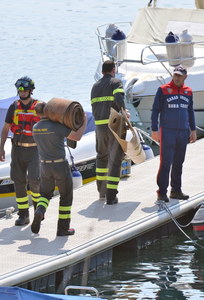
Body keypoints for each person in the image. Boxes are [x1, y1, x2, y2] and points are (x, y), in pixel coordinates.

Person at [30, 102, 87, 236]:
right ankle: (63, 228)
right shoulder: (56, 126)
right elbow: (76, 136)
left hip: (44, 165)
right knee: (66, 195)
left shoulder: (35, 128)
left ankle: (40, 211)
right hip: (59, 165)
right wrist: (83, 121)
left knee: (45, 194)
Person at [0, 76, 43, 225]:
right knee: (18, 181)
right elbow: (5, 128)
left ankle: (38, 211)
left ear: (31, 90)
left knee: (35, 181)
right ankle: (23, 215)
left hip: (34, 150)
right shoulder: (14, 107)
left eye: (25, 89)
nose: (22, 92)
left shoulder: (39, 106)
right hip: (17, 149)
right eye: (20, 89)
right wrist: (1, 148)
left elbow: (49, 127)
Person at [151, 65, 197, 202]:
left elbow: (190, 111)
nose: (177, 78)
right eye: (175, 75)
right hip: (167, 131)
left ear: (185, 77)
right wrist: (154, 130)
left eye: (179, 76)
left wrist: (193, 130)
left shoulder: (188, 92)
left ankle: (176, 190)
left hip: (183, 132)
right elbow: (155, 111)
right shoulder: (163, 90)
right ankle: (162, 192)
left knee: (179, 162)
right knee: (165, 162)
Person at [90, 60, 126, 205]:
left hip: (99, 127)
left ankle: (102, 192)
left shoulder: (95, 86)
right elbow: (119, 98)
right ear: (113, 69)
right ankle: (111, 196)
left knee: (101, 158)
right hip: (113, 125)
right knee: (115, 159)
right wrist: (124, 111)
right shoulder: (116, 82)